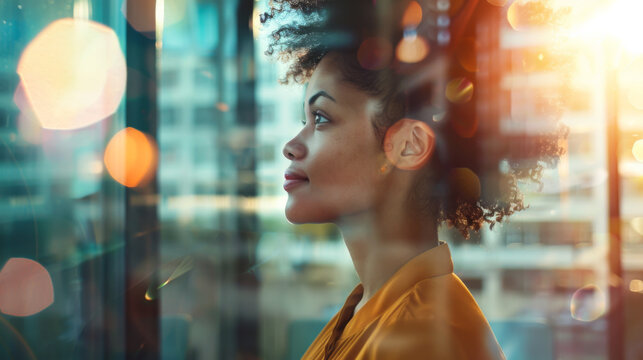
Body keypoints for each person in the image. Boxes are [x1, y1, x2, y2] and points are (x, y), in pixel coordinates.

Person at [261, 0, 566, 359]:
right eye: (305, 121)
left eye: (321, 118)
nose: (291, 146)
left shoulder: (419, 338)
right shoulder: (367, 311)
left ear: (408, 147)